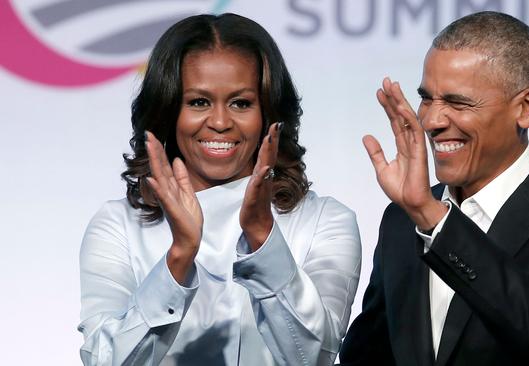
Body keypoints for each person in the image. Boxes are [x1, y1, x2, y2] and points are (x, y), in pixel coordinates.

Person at [339, 11, 529, 366]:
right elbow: (368, 356)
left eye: (458, 102)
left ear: (527, 108)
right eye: (427, 98)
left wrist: (434, 220)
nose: (431, 121)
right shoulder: (403, 220)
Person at [78, 13, 361, 366]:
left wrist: (262, 236)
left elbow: (311, 357)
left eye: (241, 103)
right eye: (198, 102)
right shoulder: (118, 225)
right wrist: (179, 258)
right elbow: (106, 362)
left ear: (269, 113)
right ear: (168, 110)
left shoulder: (325, 221)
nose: (220, 122)